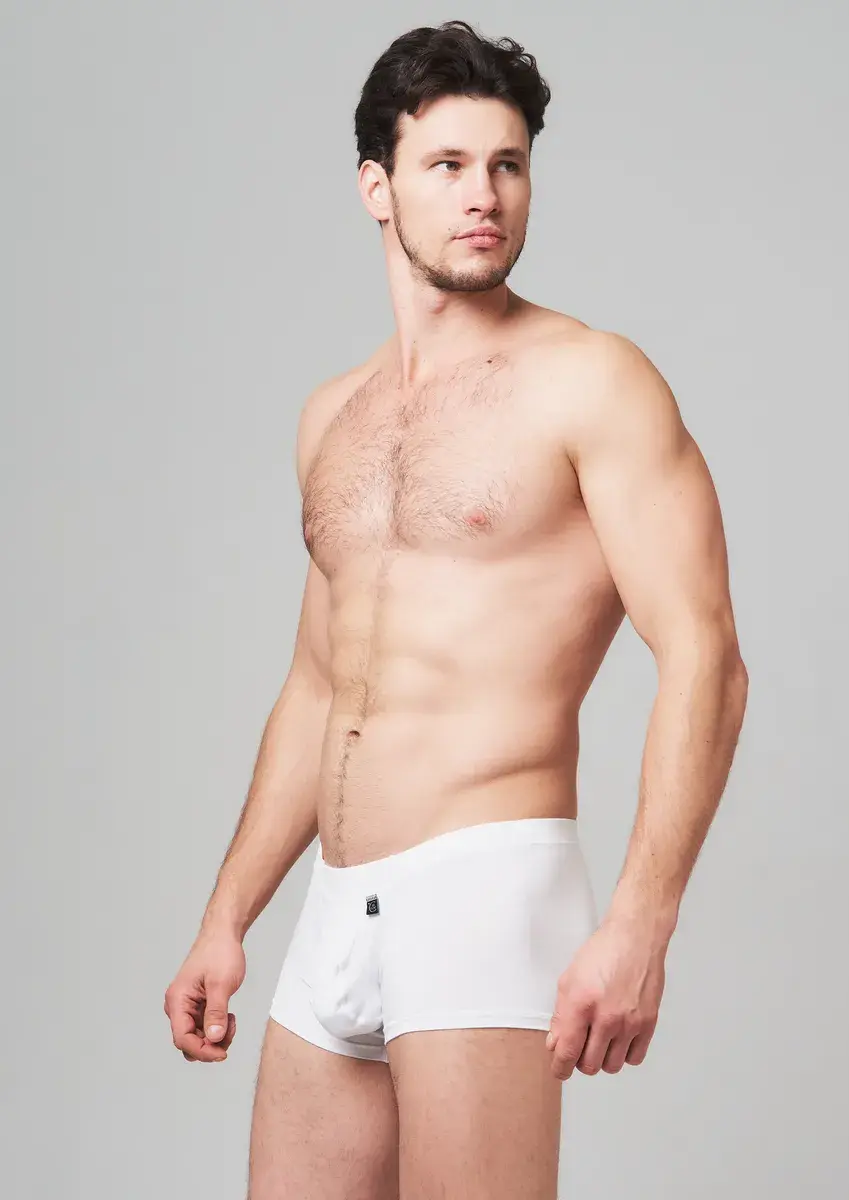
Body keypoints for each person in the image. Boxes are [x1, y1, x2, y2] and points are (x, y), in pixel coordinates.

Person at [164, 19, 748, 1199]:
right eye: (447, 165)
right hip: (337, 904)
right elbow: (319, 687)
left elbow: (706, 658)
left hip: (486, 887)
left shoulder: (593, 381)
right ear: (376, 188)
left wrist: (641, 924)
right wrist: (227, 916)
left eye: (508, 164)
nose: (485, 195)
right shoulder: (332, 418)